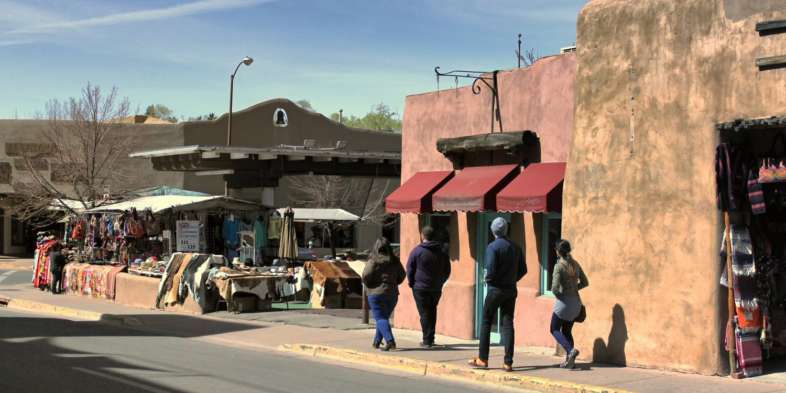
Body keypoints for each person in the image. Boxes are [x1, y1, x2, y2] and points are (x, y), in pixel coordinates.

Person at [469, 217, 526, 372]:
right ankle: (508, 362)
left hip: (495, 289)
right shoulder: (516, 247)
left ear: (493, 231)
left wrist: (487, 279)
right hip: (510, 289)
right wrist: (513, 279)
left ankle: (483, 358)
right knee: (508, 324)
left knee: (486, 321)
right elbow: (523, 269)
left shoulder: (492, 247)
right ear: (506, 230)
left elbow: (490, 271)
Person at [406, 226, 451, 348]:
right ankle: (430, 338)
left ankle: (427, 340)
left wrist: (411, 282)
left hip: (420, 287)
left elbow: (410, 268)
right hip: (436, 287)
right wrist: (441, 281)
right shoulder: (441, 251)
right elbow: (447, 269)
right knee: (432, 311)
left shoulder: (417, 251)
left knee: (425, 313)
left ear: (422, 236)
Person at [362, 237, 406, 351]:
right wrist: (394, 282)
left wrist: (370, 285)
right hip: (392, 293)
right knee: (383, 318)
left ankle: (390, 341)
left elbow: (365, 276)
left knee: (380, 318)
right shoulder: (395, 261)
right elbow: (402, 275)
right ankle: (376, 341)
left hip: (375, 293)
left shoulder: (373, 260)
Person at [550, 239, 589, 369]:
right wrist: (574, 289)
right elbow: (585, 282)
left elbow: (554, 288)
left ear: (558, 251)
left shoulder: (559, 266)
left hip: (564, 303)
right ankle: (569, 361)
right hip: (576, 303)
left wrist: (562, 295)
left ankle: (570, 350)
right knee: (567, 331)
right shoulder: (575, 264)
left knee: (554, 328)